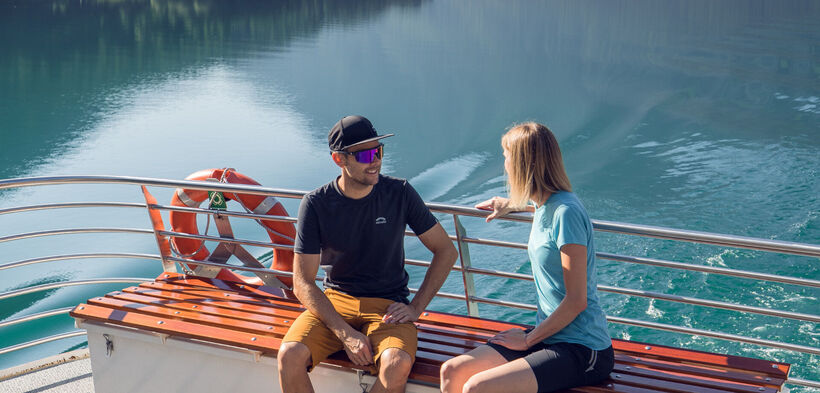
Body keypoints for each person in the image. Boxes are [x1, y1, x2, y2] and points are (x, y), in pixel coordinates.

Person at [278, 115, 458, 393]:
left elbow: (446, 251)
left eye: (379, 151)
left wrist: (416, 308)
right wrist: (345, 333)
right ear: (340, 160)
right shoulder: (315, 204)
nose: (375, 160)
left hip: (389, 306)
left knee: (396, 364)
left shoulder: (399, 192)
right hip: (336, 302)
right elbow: (302, 282)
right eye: (365, 154)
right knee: (289, 356)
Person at [439, 122, 613, 393]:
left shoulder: (566, 213)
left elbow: (577, 301)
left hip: (583, 347)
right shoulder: (544, 203)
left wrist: (529, 339)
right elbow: (538, 205)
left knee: (477, 387)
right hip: (550, 333)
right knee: (452, 371)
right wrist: (508, 204)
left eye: (507, 156)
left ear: (523, 164)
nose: (504, 164)